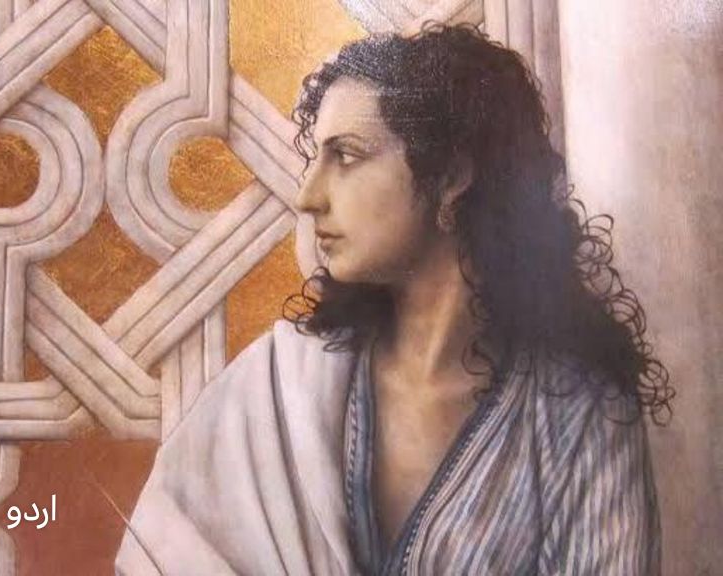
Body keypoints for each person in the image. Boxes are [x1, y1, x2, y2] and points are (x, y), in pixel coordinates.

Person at [115, 23, 672, 575]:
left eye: (347, 156)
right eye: (317, 158)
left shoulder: (576, 415)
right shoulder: (278, 387)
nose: (308, 196)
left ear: (451, 176)